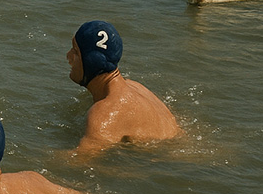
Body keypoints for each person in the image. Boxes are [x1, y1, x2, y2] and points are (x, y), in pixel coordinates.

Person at [66, 21, 181, 153]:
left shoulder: (105, 114)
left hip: (158, 160)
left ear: (91, 61)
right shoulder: (135, 87)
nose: (68, 56)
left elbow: (79, 160)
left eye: (75, 51)